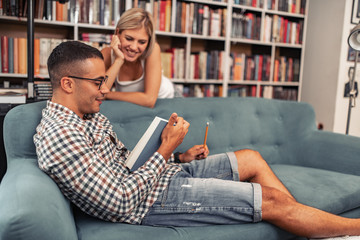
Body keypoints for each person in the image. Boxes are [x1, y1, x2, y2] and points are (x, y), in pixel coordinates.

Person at [34, 41, 360, 239]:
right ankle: (349, 228)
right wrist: (165, 148)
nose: (105, 89)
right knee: (269, 199)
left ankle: (306, 225)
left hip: (156, 178)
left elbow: (125, 164)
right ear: (67, 83)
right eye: (98, 82)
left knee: (251, 158)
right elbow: (119, 202)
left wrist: (179, 158)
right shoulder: (60, 137)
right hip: (147, 203)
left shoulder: (86, 115)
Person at [101, 8, 175, 108]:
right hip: (135, 105)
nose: (134, 47)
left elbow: (149, 100)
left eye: (142, 42)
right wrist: (118, 60)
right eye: (129, 39)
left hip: (167, 99)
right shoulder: (107, 54)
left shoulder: (152, 50)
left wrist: (107, 94)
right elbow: (99, 91)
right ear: (117, 33)